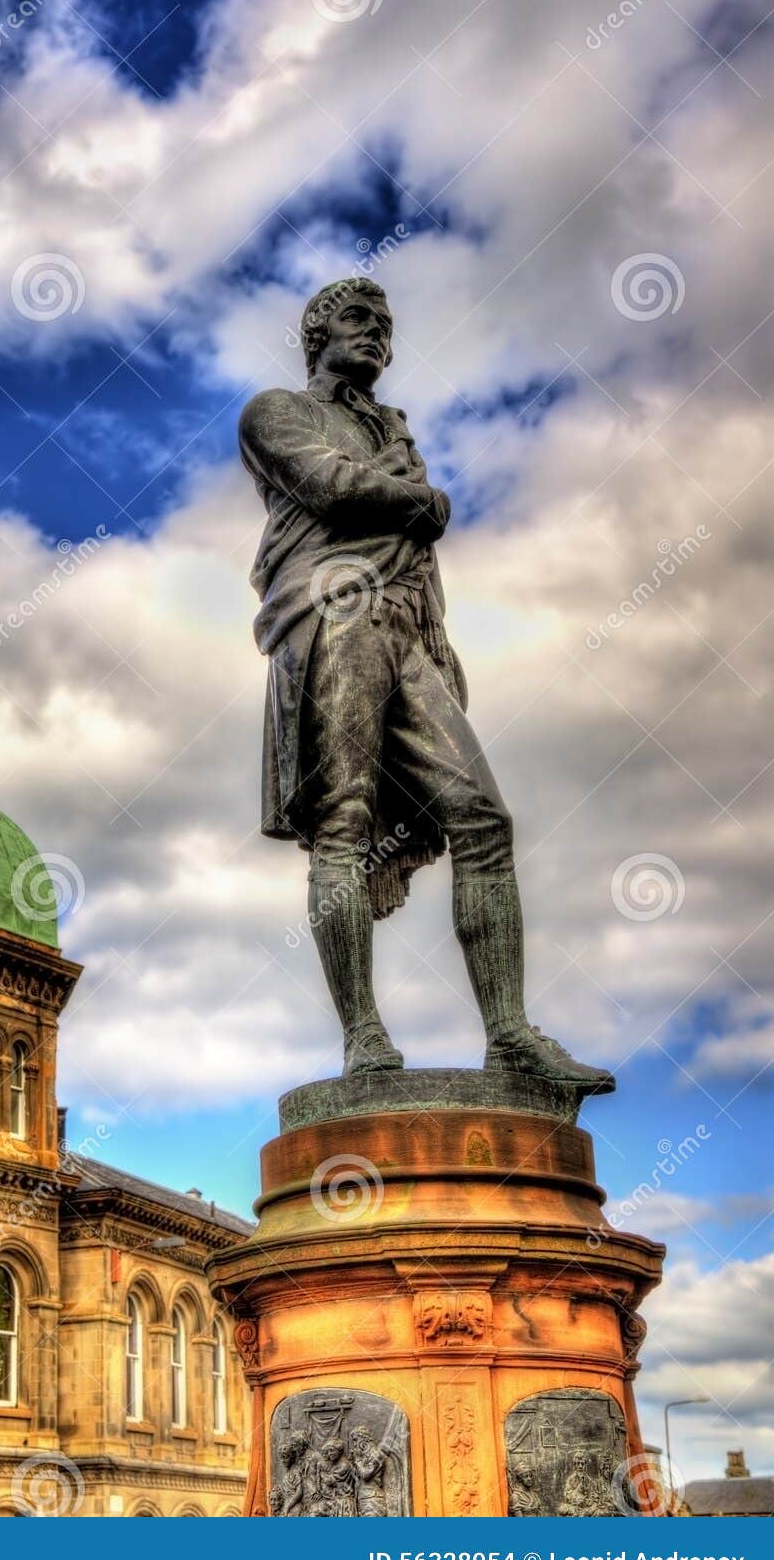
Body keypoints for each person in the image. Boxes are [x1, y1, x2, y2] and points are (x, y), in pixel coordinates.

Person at [240, 276, 612, 1090]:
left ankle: (511, 1035)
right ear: (317, 333)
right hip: (336, 608)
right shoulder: (277, 410)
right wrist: (421, 498)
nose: (377, 333)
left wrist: (437, 640)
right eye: (358, 319)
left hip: (407, 625)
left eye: (387, 324)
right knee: (342, 824)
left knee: (484, 818)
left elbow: (414, 542)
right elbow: (329, 487)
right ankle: (363, 1035)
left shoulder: (393, 429)